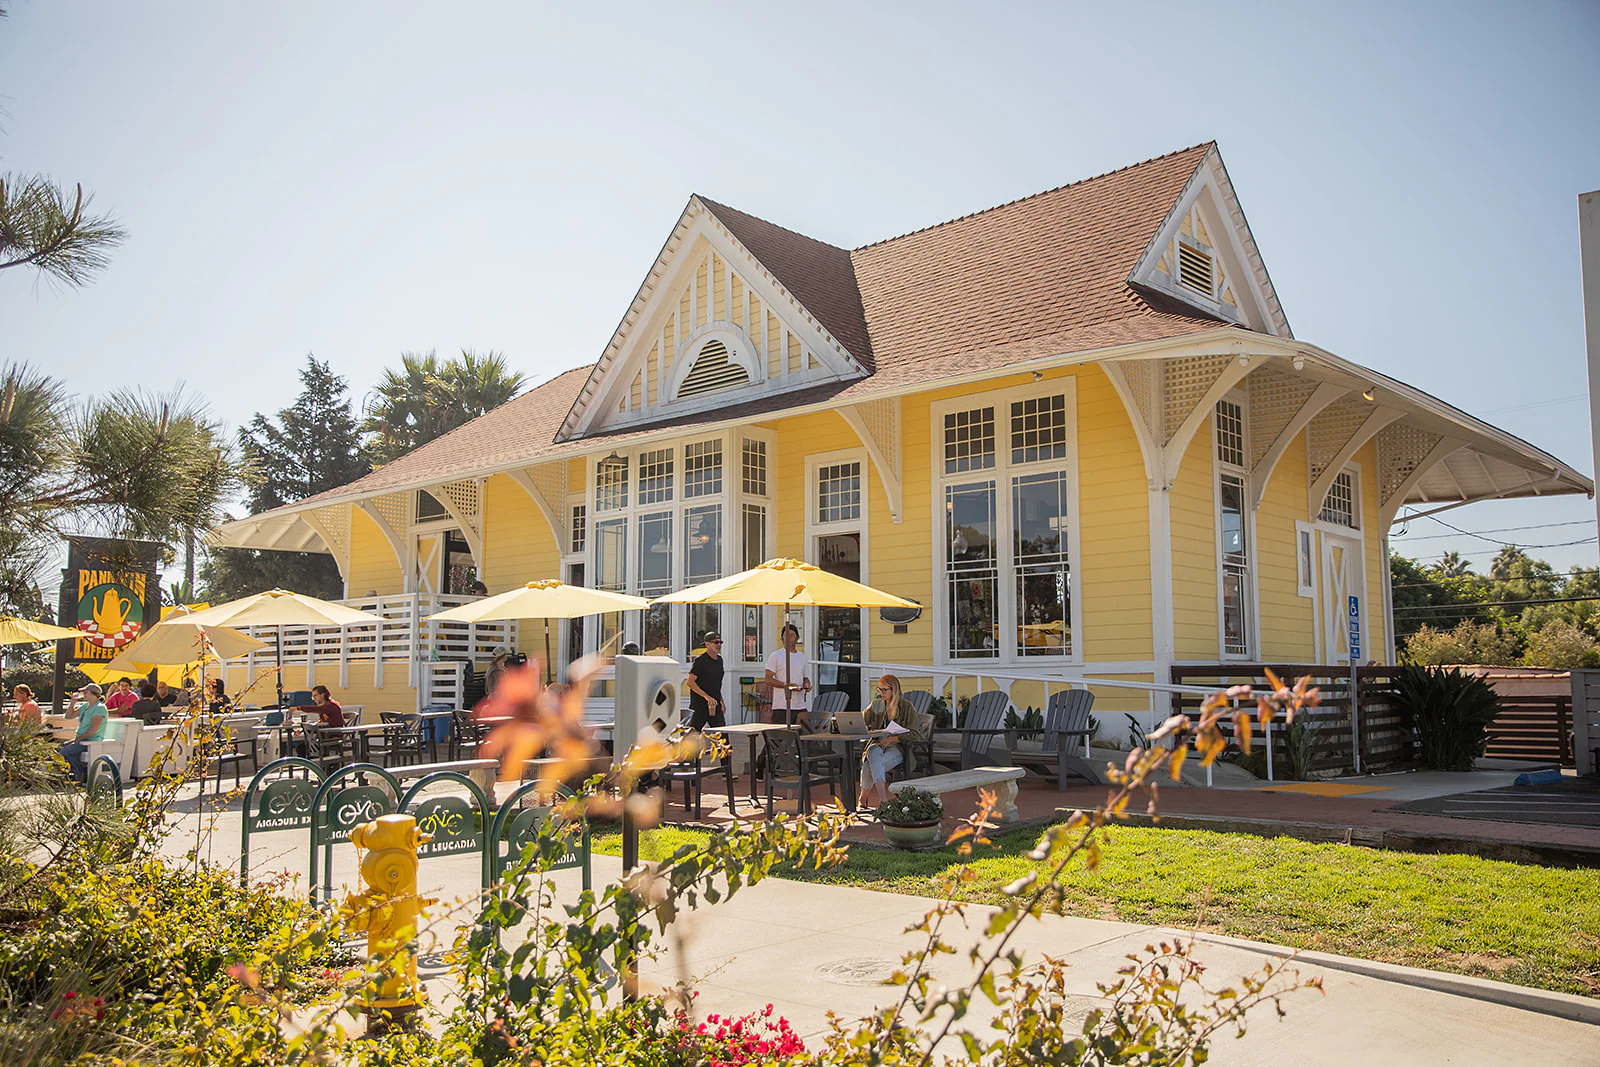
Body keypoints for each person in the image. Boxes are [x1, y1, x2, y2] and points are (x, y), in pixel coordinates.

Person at [858, 673, 921, 810]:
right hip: (878, 745)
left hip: (898, 748)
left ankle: (864, 798)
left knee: (869, 765)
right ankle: (883, 799)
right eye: (879, 689)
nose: (881, 693)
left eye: (884, 690)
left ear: (894, 689)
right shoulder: (877, 705)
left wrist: (893, 739)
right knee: (872, 751)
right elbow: (861, 721)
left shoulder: (906, 707)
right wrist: (861, 726)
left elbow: (915, 734)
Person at [764, 623, 812, 727]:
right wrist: (786, 685)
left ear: (797, 638)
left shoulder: (802, 657)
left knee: (805, 734)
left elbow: (805, 678)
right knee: (781, 735)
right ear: (782, 639)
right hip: (782, 705)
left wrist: (807, 684)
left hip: (800, 705)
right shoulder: (776, 656)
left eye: (792, 635)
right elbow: (768, 679)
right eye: (786, 635)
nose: (789, 638)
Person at [58, 683, 108, 782]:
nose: (83, 694)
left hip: (91, 741)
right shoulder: (85, 706)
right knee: (59, 748)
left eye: (86, 692)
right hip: (81, 740)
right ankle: (73, 775)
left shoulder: (99, 707)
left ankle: (78, 775)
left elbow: (93, 729)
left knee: (64, 752)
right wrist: (72, 702)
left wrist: (77, 739)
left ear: (93, 693)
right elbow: (68, 716)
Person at [685, 631, 726, 731]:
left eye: (720, 642)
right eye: (715, 642)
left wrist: (721, 702)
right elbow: (690, 682)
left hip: (715, 704)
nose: (719, 645)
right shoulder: (701, 660)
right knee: (693, 734)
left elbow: (716, 684)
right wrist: (706, 697)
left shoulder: (719, 660)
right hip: (700, 705)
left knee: (722, 734)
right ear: (707, 644)